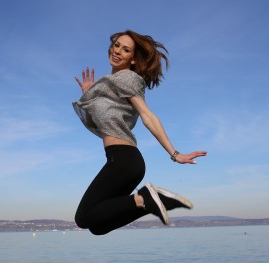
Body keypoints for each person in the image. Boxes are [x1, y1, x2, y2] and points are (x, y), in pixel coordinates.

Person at [73, 30, 207, 235]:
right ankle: (149, 203)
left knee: (82, 218)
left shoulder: (126, 78)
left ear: (133, 60)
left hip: (124, 161)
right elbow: (106, 119)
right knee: (98, 226)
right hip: (121, 161)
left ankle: (145, 197)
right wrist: (90, 95)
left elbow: (147, 116)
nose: (117, 51)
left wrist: (174, 153)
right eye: (117, 45)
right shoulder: (112, 83)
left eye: (125, 50)